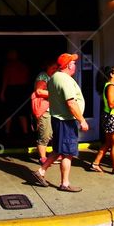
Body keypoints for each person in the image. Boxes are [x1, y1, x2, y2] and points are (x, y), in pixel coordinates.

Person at [32, 53, 88, 192]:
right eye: (73, 63)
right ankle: (65, 183)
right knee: (67, 153)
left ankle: (41, 172)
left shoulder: (54, 78)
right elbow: (71, 102)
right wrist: (82, 120)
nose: (75, 65)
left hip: (58, 119)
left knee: (58, 149)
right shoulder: (65, 80)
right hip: (66, 121)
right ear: (68, 65)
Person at [0, 49, 30, 137]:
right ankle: (25, 132)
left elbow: (6, 79)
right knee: (20, 112)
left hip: (13, 89)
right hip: (22, 89)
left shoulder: (9, 66)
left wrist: (2, 92)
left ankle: (8, 132)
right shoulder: (23, 66)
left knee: (11, 111)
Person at [31, 59, 56, 163]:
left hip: (54, 110)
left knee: (53, 133)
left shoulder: (54, 77)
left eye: (57, 68)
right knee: (45, 134)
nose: (55, 70)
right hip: (44, 109)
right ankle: (43, 158)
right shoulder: (43, 76)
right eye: (53, 67)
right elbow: (39, 91)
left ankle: (53, 156)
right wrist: (56, 94)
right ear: (48, 67)